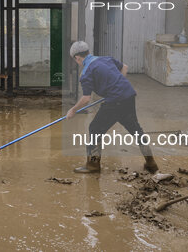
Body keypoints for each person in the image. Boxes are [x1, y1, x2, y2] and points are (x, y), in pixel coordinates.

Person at [66, 41, 158, 174]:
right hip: (129, 96)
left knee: (95, 128)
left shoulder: (86, 72)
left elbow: (86, 98)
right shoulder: (105, 59)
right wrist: (116, 86)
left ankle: (92, 165)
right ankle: (151, 163)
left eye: (76, 60)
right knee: (136, 130)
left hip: (115, 102)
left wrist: (73, 110)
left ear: (77, 58)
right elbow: (124, 67)